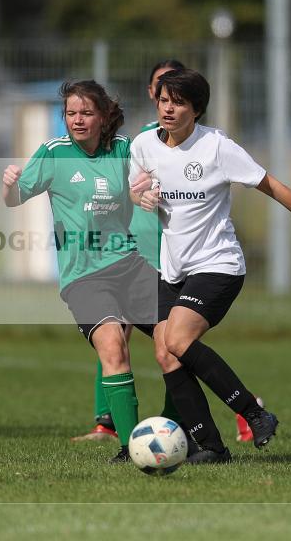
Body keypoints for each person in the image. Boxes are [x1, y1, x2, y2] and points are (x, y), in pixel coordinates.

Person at [129, 69, 291, 462]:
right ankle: (212, 448)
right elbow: (138, 188)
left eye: (178, 102)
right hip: (173, 268)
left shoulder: (216, 147)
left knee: (178, 340)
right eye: (164, 100)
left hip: (218, 264)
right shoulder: (144, 144)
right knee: (165, 353)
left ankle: (254, 413)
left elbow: (272, 185)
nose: (168, 108)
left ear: (196, 110)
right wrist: (142, 198)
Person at [3, 80, 164, 463]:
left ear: (104, 116)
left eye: (86, 113)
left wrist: (147, 193)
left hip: (130, 264)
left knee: (174, 345)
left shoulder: (125, 150)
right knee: (112, 346)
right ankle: (130, 447)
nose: (77, 120)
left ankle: (189, 430)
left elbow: (145, 188)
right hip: (84, 276)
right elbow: (14, 199)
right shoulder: (53, 153)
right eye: (71, 114)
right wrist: (8, 186)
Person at [71, 59, 185, 443]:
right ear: (151, 92)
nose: (165, 96)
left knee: (176, 343)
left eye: (174, 89)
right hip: (130, 251)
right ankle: (109, 425)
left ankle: (183, 419)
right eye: (160, 86)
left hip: (169, 251)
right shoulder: (137, 143)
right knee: (113, 336)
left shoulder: (190, 141)